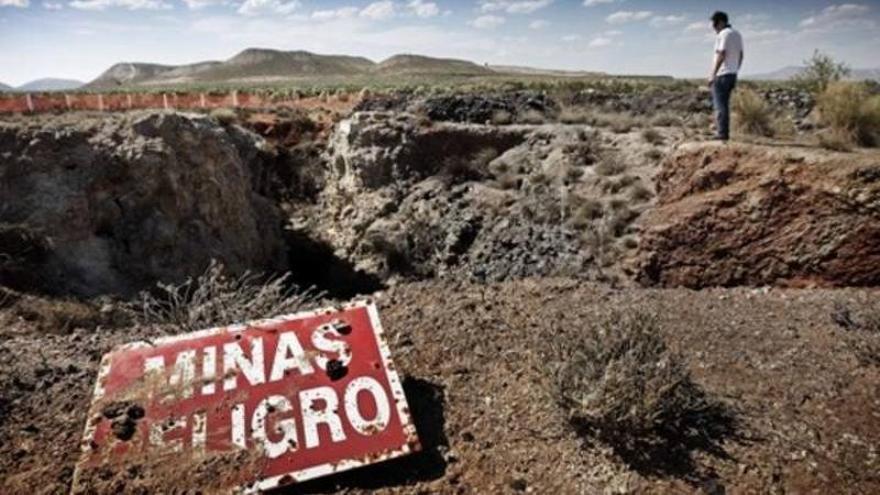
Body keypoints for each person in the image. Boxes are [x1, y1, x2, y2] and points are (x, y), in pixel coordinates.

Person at [707, 11, 744, 141]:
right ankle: (723, 132)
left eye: (715, 23)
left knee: (720, 105)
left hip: (722, 74)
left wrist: (713, 74)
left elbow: (721, 53)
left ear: (721, 22)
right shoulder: (737, 34)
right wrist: (735, 69)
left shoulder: (723, 34)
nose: (714, 27)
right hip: (732, 74)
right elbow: (740, 55)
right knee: (725, 105)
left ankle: (722, 133)